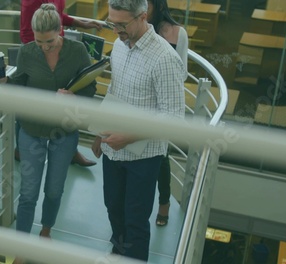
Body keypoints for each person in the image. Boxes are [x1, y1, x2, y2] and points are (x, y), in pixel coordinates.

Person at [0, 4, 96, 264]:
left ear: (60, 31)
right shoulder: (28, 53)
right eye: (39, 42)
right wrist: (5, 82)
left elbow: (91, 88)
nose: (44, 47)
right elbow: (20, 86)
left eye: (49, 42)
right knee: (28, 193)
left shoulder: (78, 51)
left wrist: (74, 96)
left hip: (64, 132)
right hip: (31, 131)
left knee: (53, 190)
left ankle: (46, 231)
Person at [91, 0, 185, 261]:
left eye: (121, 24)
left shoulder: (165, 58)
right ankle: (119, 252)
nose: (115, 30)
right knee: (113, 210)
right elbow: (114, 90)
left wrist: (128, 136)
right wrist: (101, 132)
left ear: (143, 17)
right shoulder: (119, 46)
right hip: (114, 148)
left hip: (144, 157)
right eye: (112, 23)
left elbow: (174, 117)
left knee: (135, 221)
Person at [16, 0, 102, 167]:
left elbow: (57, 15)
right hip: (35, 52)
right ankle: (22, 148)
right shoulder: (31, 3)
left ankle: (69, 150)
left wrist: (80, 23)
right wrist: (43, 50)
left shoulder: (75, 49)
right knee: (32, 106)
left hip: (55, 42)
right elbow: (28, 33)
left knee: (67, 96)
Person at [147, 0, 188, 227]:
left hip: (162, 102)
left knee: (161, 155)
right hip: (140, 100)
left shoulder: (177, 33)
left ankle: (164, 202)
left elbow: (182, 71)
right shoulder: (137, 27)